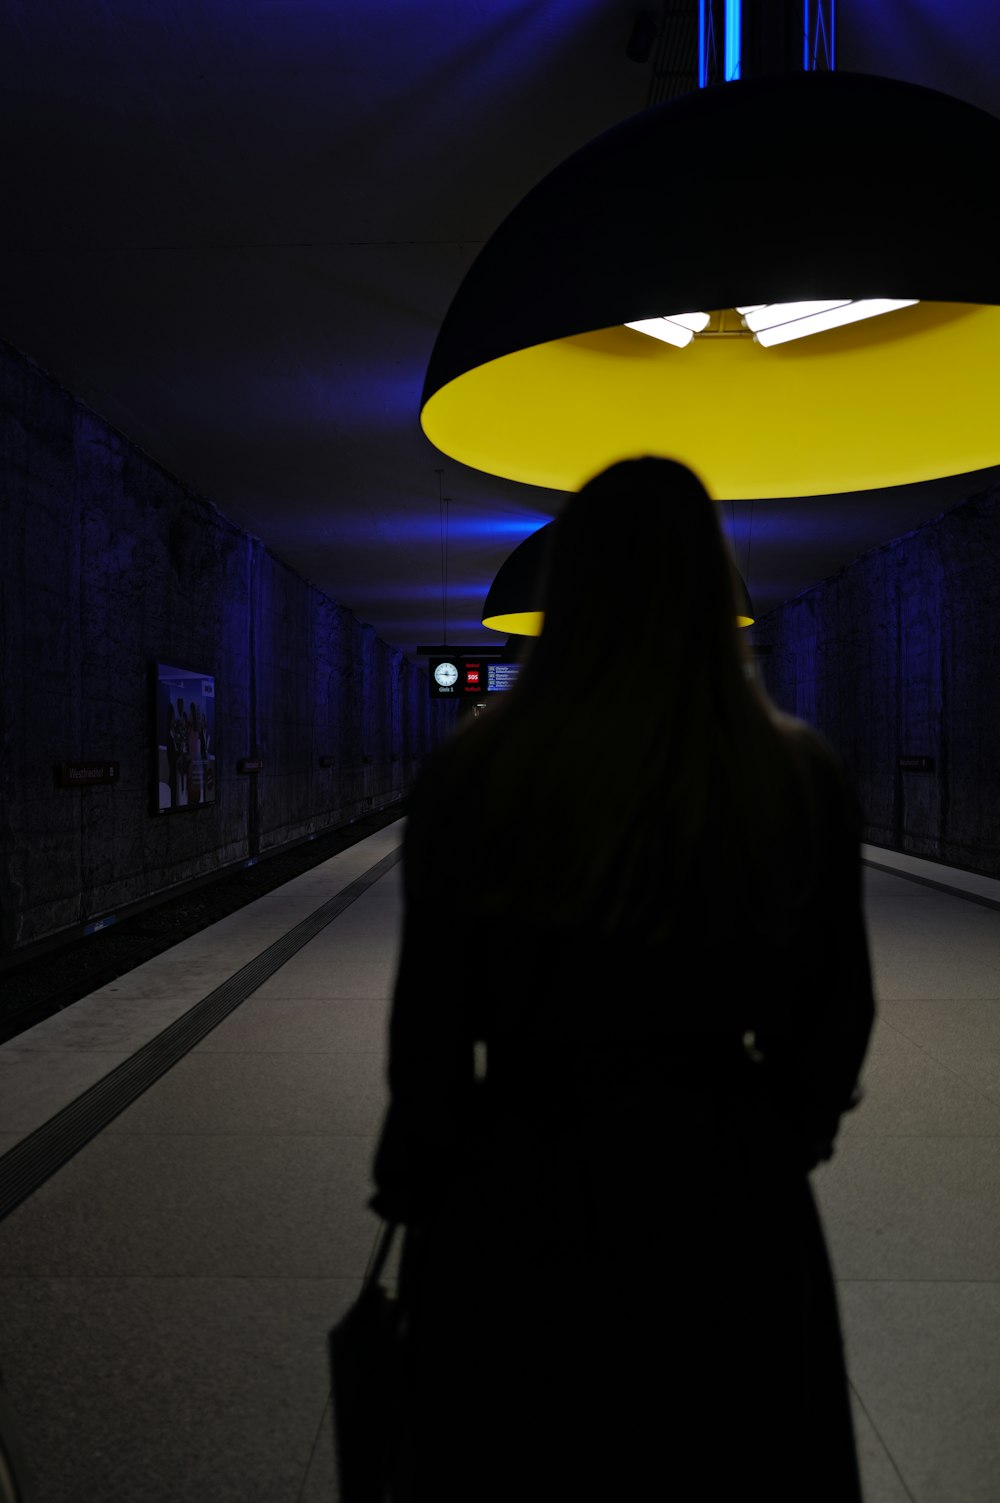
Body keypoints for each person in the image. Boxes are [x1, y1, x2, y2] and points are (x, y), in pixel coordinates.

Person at [371, 457, 875, 1502]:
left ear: (568, 590)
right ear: (712, 589)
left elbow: (428, 1024)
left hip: (521, 1173)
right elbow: (836, 1011)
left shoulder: (477, 773)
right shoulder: (793, 771)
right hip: (729, 1184)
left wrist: (428, 1175)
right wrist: (781, 1135)